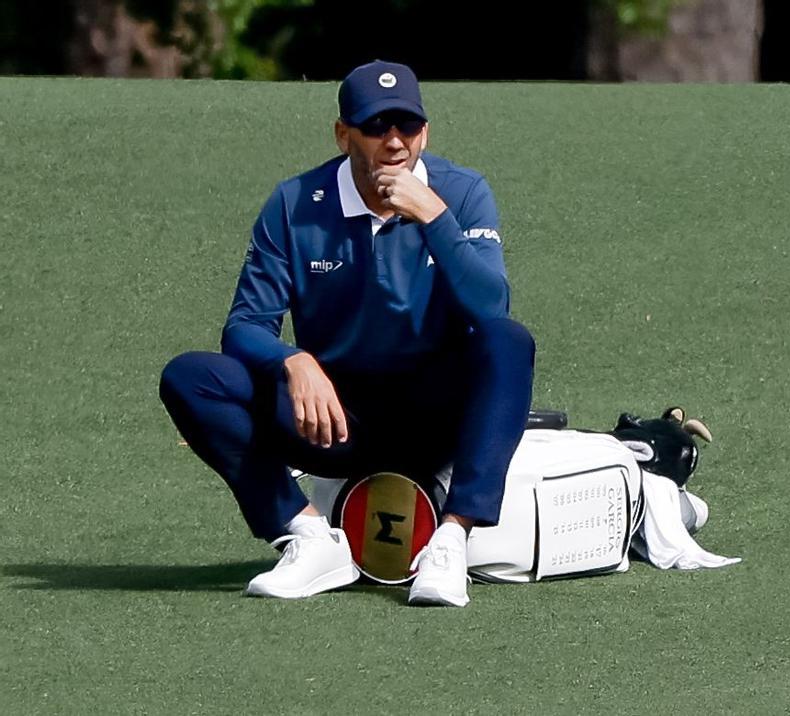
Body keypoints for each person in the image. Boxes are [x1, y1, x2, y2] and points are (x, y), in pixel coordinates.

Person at [159, 60, 535, 607]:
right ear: (343, 135)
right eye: (376, 126)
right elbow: (244, 326)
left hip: (436, 418)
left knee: (509, 341)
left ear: (424, 132)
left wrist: (434, 219)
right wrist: (294, 361)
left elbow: (491, 305)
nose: (394, 142)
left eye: (407, 126)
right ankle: (309, 537)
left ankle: (451, 539)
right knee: (192, 378)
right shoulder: (295, 204)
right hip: (334, 420)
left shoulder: (461, 193)